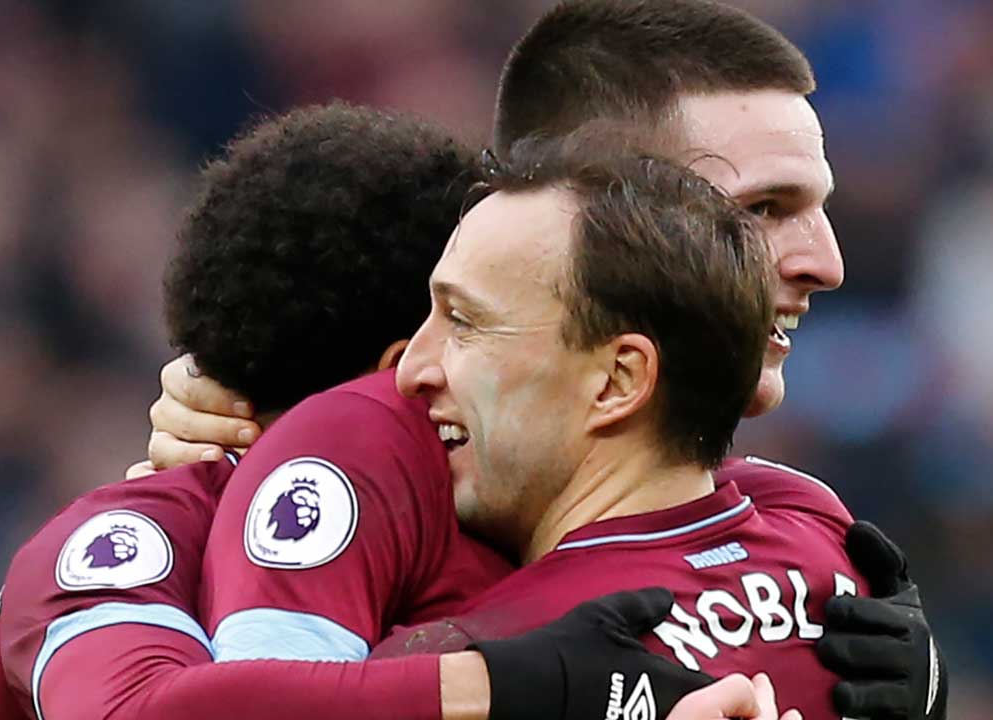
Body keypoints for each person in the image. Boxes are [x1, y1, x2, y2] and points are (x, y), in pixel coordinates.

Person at [141, 2, 945, 719]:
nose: (825, 262)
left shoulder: (788, 506)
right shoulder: (355, 457)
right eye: (763, 211)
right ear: (621, 214)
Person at [0, 103, 783, 720]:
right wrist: (514, 685)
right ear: (403, 370)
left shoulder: (531, 520)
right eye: (451, 321)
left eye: (466, 321)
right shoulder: (120, 550)